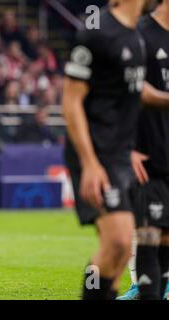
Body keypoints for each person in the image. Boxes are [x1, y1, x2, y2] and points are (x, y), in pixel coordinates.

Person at [63, 0, 149, 299]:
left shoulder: (136, 36)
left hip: (120, 155)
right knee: (118, 242)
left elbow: (132, 100)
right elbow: (71, 101)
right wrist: (89, 163)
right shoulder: (97, 33)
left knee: (121, 248)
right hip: (95, 153)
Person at [117, 0, 169, 300]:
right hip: (149, 153)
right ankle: (144, 285)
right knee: (148, 231)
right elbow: (129, 92)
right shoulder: (140, 34)